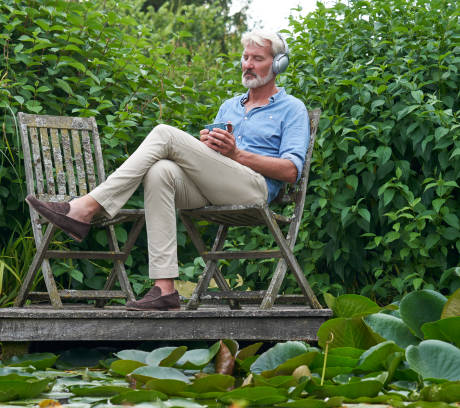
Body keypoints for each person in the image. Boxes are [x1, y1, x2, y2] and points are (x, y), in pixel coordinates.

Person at [26, 30, 310, 311]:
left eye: (257, 58)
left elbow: (290, 171)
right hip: (218, 188)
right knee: (159, 171)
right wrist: (209, 149)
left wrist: (236, 153)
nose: (247, 64)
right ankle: (165, 290)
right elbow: (217, 160)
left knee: (164, 133)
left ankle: (85, 208)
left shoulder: (291, 109)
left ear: (277, 65)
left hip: (256, 190)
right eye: (245, 57)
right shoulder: (229, 107)